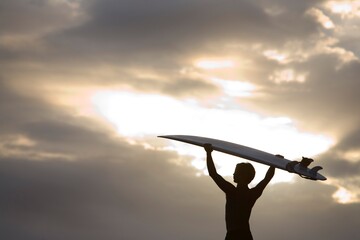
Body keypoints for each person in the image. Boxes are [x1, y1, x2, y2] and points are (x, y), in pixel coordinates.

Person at [204, 143, 275, 240]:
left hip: (233, 235)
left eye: (236, 172)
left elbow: (213, 173)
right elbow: (267, 178)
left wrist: (208, 153)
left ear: (242, 175)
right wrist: (274, 164)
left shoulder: (231, 191)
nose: (233, 174)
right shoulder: (252, 194)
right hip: (245, 235)